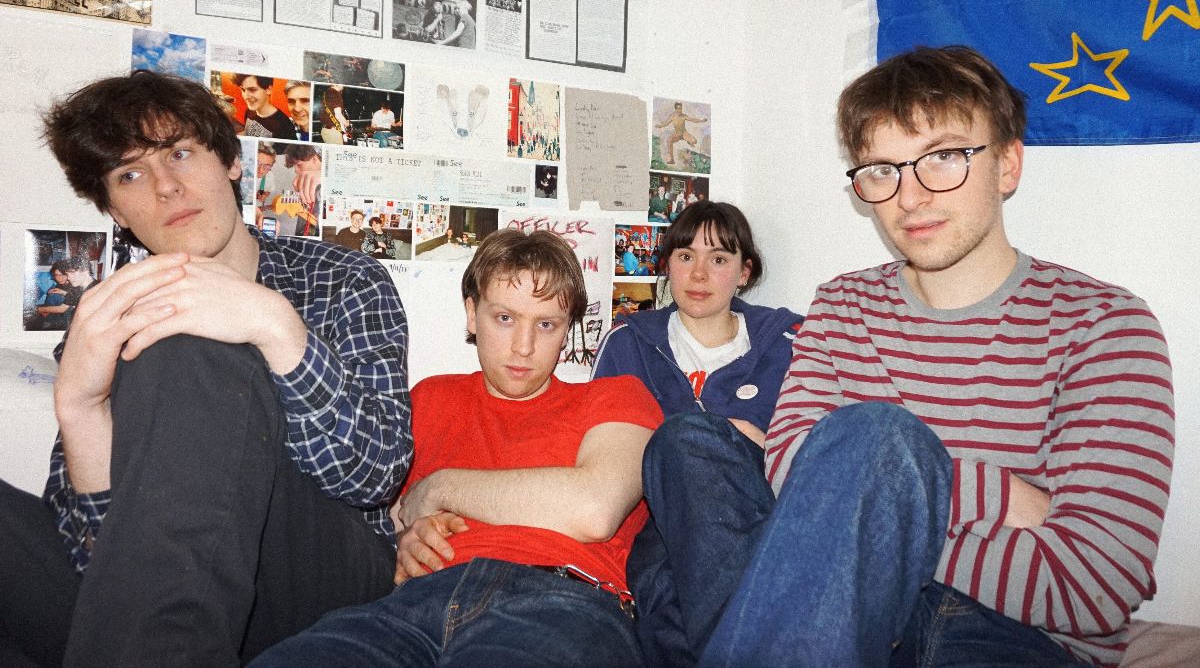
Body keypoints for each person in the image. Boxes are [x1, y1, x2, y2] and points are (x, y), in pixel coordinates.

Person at [646, 46, 1175, 668]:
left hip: (999, 632)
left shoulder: (1105, 325)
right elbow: (789, 468)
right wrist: (993, 494)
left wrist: (882, 511)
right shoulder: (841, 304)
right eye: (883, 169)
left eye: (944, 157)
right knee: (687, 443)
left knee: (875, 438)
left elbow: (1091, 586)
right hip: (824, 604)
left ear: (1007, 165)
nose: (911, 196)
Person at [0, 70, 412, 666]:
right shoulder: (107, 319)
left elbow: (374, 477)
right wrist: (82, 409)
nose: (166, 187)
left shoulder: (345, 278)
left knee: (187, 341)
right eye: (130, 174)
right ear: (115, 210)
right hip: (157, 589)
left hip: (324, 573)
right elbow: (95, 557)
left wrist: (275, 327)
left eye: (180, 153)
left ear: (231, 163)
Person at [251, 229, 663, 668]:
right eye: (504, 318)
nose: (524, 347)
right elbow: (384, 520)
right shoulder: (428, 399)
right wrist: (403, 542)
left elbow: (595, 510)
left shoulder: (617, 397)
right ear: (472, 314)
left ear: (566, 331)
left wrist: (440, 487)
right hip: (413, 604)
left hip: (560, 600)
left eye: (546, 324)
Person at [592, 201, 803, 667]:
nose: (699, 274)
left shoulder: (790, 345)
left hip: (764, 522)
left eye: (719, 259)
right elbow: (600, 458)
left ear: (744, 272)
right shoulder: (627, 343)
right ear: (668, 265)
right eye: (686, 256)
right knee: (665, 578)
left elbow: (817, 457)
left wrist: (757, 442)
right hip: (658, 530)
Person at [237, 74, 297, 140]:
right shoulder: (249, 110)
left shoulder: (285, 126)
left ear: (268, 89)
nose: (246, 96)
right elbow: (247, 132)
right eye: (243, 90)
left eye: (252, 90)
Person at [655, 102, 708, 167]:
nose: (680, 110)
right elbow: (666, 123)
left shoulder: (683, 116)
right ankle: (671, 159)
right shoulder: (672, 116)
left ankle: (688, 141)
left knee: (694, 141)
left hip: (684, 133)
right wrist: (660, 126)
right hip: (677, 134)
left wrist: (701, 120)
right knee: (669, 140)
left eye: (680, 108)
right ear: (675, 109)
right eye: (678, 108)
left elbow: (692, 119)